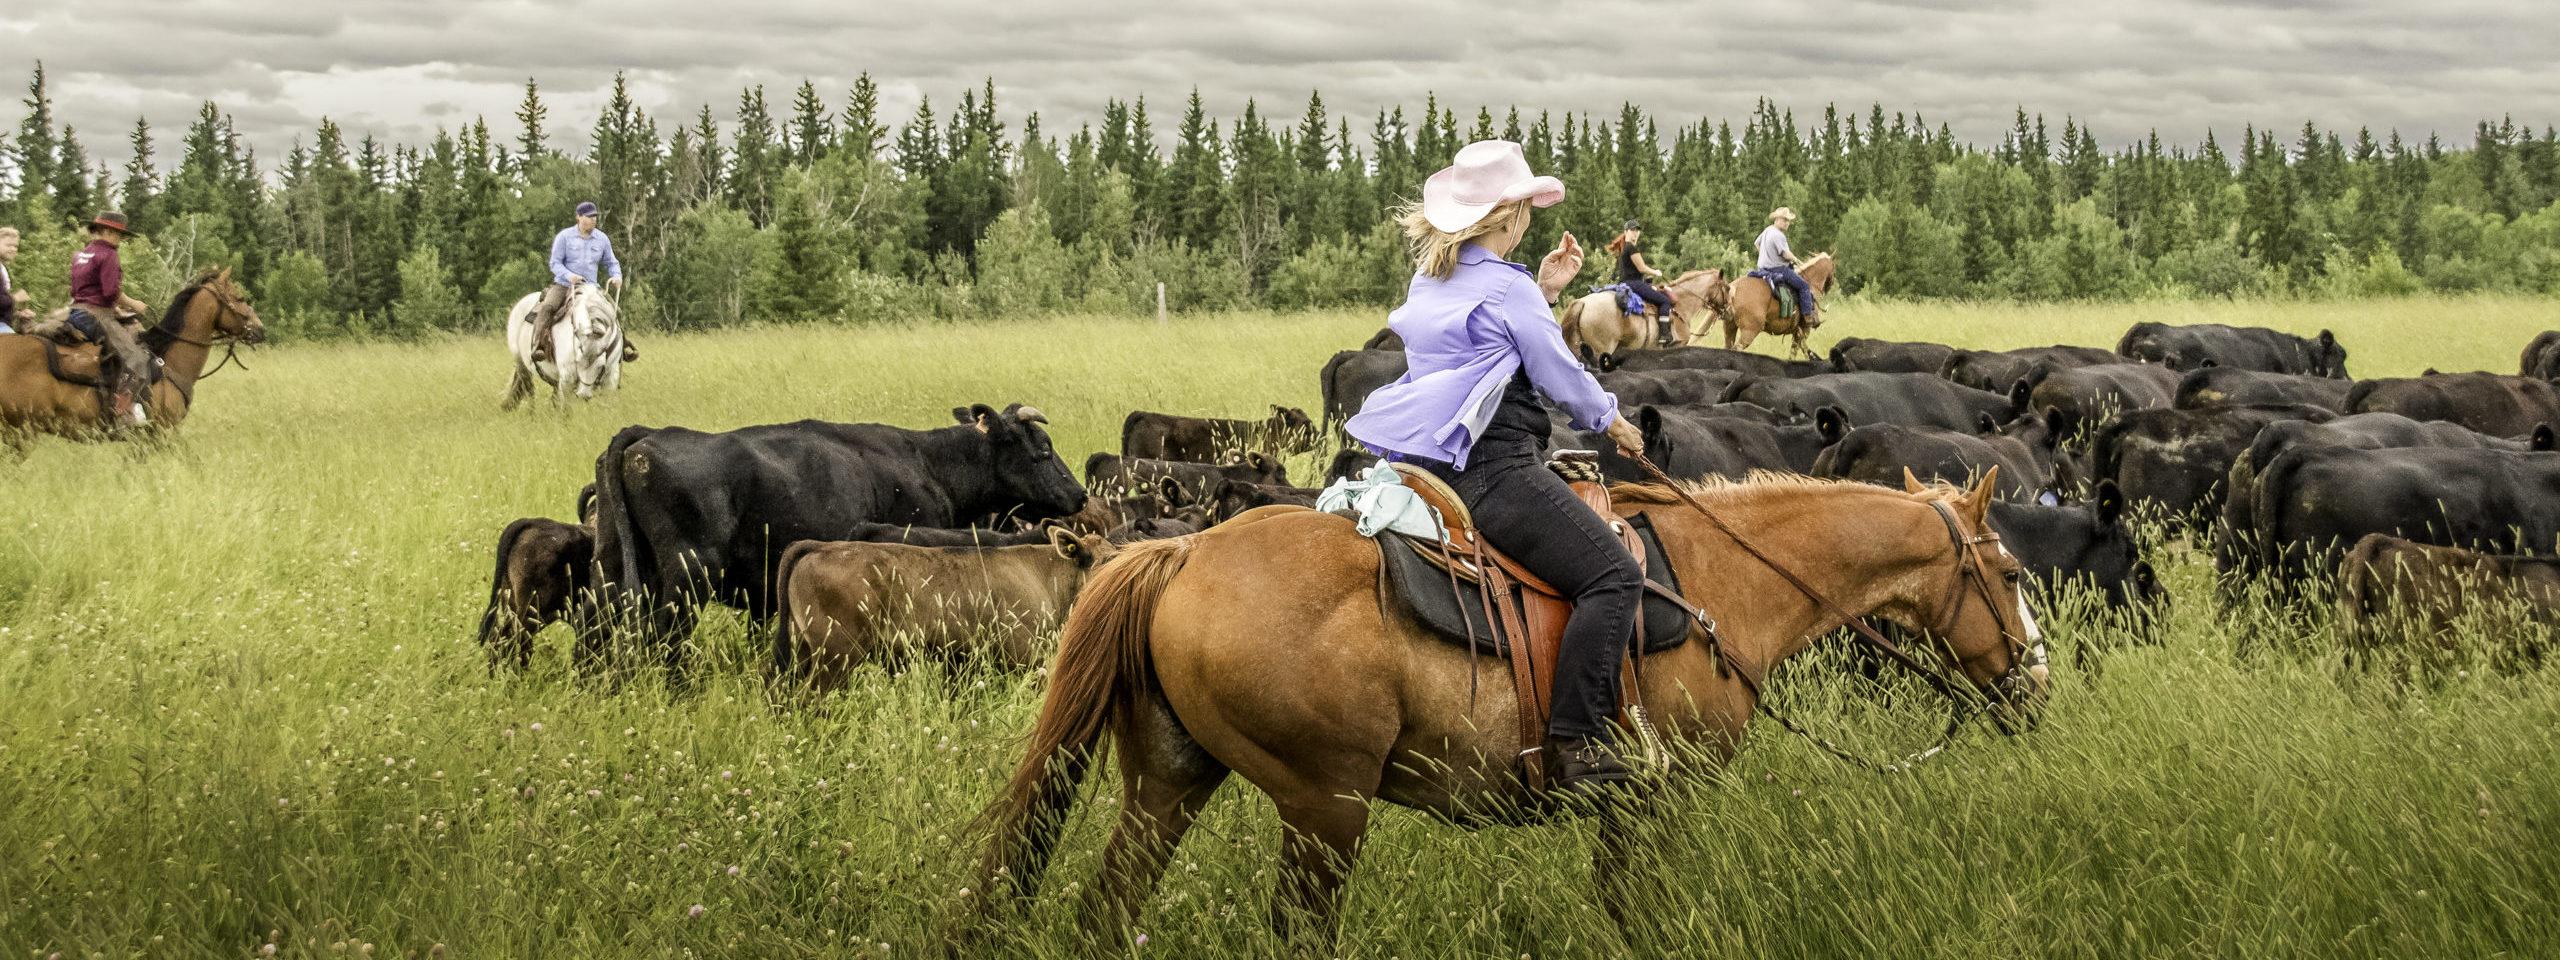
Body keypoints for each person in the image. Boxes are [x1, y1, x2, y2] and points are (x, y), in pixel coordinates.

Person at [1346, 139, 1649, 796]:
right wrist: (1612, 420)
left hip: (1428, 469)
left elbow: (1476, 334)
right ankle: (1577, 743)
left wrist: (1541, 289)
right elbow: (1557, 373)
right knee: (1615, 576)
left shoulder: (1431, 278)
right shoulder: (1507, 288)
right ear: (1508, 216)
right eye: (1525, 209)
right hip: (1495, 472)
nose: (1528, 220)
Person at [67, 212, 154, 421]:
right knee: (138, 359)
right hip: (96, 317)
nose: (120, 241)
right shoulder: (108, 254)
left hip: (75, 313)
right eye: (119, 235)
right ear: (107, 231)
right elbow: (110, 292)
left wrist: (112, 307)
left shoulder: (81, 254)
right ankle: (123, 416)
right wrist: (134, 304)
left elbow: (84, 290)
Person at [531, 201, 635, 363]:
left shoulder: (602, 239)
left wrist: (617, 276)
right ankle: (539, 346)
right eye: (589, 216)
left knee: (613, 311)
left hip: (591, 288)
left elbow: (611, 262)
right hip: (564, 286)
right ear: (579, 217)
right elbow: (555, 263)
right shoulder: (564, 237)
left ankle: (622, 348)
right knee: (547, 307)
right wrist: (569, 275)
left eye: (595, 217)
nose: (593, 220)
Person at [1605, 218, 1677, 346]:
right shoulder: (1631, 248)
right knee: (1665, 301)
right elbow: (1641, 268)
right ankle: (1664, 335)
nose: (1635, 232)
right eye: (1632, 230)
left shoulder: (1624, 248)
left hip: (1627, 283)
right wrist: (1656, 272)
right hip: (1634, 284)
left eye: (1637, 230)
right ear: (1626, 231)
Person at [1754, 206, 1818, 325]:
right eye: (1784, 220)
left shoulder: (1768, 230)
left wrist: (1767, 255)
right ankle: (1807, 316)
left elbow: (1757, 243)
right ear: (1776, 219)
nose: (1786, 223)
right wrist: (1796, 259)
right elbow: (1785, 254)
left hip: (1762, 269)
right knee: (1804, 286)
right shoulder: (1779, 235)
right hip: (1778, 269)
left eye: (1788, 221)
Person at [0, 226, 29, 334]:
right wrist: (15, 298)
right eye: (8, 245)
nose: (13, 249)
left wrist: (18, 314)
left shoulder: (2, 268)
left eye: (15, 246)